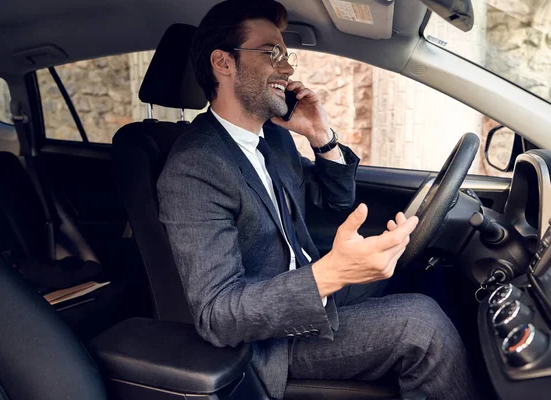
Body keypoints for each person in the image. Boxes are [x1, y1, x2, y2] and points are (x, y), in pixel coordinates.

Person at [157, 1, 478, 399]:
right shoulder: (195, 168)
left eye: (285, 55)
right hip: (273, 340)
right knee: (423, 326)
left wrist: (320, 136)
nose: (288, 68)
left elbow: (335, 207)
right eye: (271, 53)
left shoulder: (271, 138)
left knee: (432, 279)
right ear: (223, 62)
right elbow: (218, 315)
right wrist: (331, 274)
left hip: (316, 293)